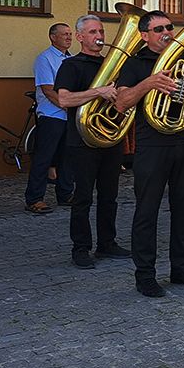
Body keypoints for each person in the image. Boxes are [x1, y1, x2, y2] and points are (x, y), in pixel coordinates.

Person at [114, 10, 184, 298]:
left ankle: (181, 268)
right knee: (147, 210)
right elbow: (121, 102)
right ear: (144, 35)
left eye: (169, 27)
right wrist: (149, 83)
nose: (167, 32)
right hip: (153, 145)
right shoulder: (135, 63)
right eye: (158, 29)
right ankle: (145, 275)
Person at [54, 15, 129, 268]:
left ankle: (107, 243)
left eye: (101, 31)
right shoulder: (71, 65)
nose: (99, 36)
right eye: (93, 32)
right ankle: (81, 248)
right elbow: (64, 100)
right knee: (83, 196)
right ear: (80, 37)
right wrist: (99, 91)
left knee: (110, 195)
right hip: (82, 140)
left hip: (110, 138)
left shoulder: (114, 64)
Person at [23, 23, 74, 214]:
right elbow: (48, 90)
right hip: (51, 114)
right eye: (64, 35)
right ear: (53, 37)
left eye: (70, 34)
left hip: (68, 114)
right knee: (43, 158)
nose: (69, 38)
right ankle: (34, 199)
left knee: (67, 157)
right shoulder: (45, 58)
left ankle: (66, 194)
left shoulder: (72, 59)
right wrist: (68, 106)